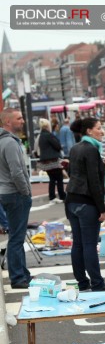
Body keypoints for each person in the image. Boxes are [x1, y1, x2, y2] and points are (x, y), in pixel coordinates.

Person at [66, 118, 105, 292]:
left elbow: (72, 173)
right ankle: (97, 284)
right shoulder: (92, 150)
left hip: (71, 200)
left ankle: (82, 283)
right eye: (99, 128)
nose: (102, 131)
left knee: (78, 244)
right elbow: (94, 182)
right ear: (88, 131)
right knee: (89, 245)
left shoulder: (75, 148)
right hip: (86, 202)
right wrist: (102, 209)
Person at [0, 108, 32, 289]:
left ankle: (22, 274)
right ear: (7, 122)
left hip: (6, 192)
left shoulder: (3, 141)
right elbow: (17, 171)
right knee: (17, 238)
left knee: (16, 236)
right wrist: (26, 191)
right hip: (15, 194)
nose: (22, 121)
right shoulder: (10, 143)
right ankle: (18, 277)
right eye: (19, 118)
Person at [37, 118, 66, 203]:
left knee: (52, 179)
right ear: (47, 126)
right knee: (59, 178)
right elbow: (57, 146)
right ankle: (62, 195)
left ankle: (52, 196)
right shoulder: (49, 135)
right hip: (53, 160)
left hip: (45, 161)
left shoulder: (41, 136)